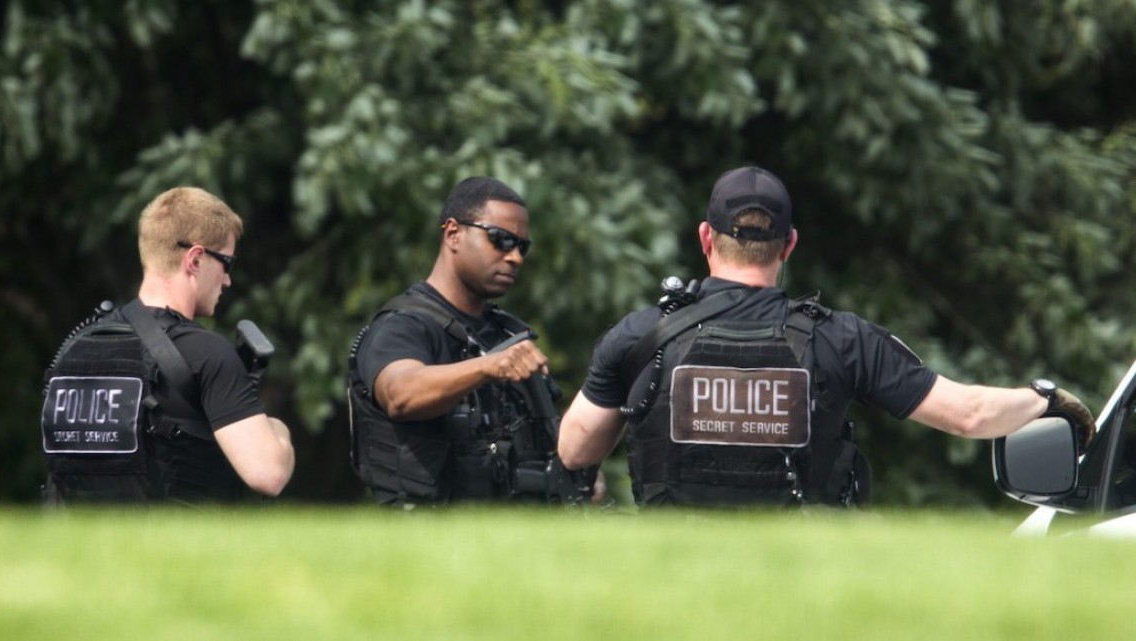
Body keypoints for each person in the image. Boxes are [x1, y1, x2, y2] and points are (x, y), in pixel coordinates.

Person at [557, 166, 1096, 507]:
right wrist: (1046, 398)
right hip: (801, 577)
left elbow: (575, 449)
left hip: (668, 573)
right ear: (788, 244)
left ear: (705, 238)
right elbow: (970, 414)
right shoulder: (840, 338)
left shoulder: (641, 334)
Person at [347, 177, 595, 506]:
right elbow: (400, 394)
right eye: (501, 240)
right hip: (426, 536)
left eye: (522, 246)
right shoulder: (404, 325)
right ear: (453, 233)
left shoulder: (507, 333)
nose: (515, 257)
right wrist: (489, 366)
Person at [41, 187, 295, 505]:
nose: (228, 280)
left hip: (76, 551)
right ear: (196, 259)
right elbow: (268, 474)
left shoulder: (77, 349)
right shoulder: (206, 353)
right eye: (226, 263)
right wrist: (277, 429)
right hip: (173, 552)